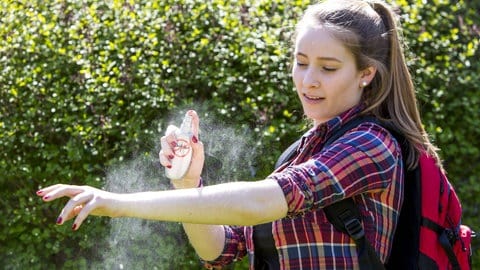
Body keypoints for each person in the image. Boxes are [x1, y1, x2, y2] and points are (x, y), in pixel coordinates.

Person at [37, 0, 443, 269]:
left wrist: (118, 203)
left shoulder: (372, 144)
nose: (308, 80)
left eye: (328, 67)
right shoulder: (301, 152)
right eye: (301, 63)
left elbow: (260, 201)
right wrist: (187, 183)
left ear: (366, 73)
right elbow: (222, 250)